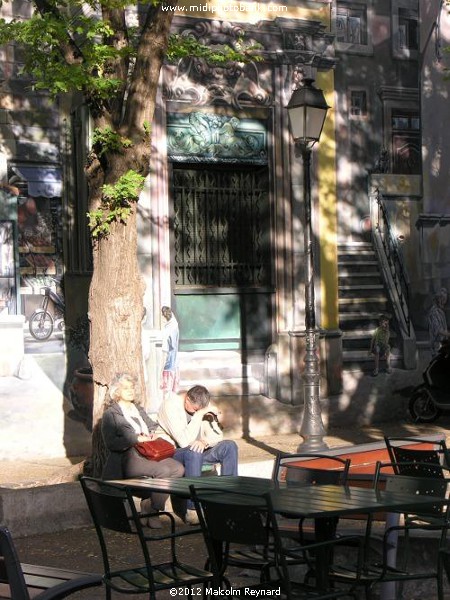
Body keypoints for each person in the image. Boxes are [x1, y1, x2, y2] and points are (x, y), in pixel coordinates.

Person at [101, 373, 184, 528]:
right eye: (125, 388)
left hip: (148, 452)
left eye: (132, 387)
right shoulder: (111, 414)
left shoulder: (137, 408)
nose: (130, 390)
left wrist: (151, 434)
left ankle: (149, 506)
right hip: (128, 457)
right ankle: (155, 512)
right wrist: (137, 439)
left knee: (178, 468)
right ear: (117, 391)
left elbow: (151, 424)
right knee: (164, 471)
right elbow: (111, 443)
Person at [157, 384, 238, 525]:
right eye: (195, 409)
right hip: (173, 453)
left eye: (200, 410)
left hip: (198, 451)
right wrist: (200, 415)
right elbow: (183, 441)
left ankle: (229, 499)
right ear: (187, 399)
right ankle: (192, 509)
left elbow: (217, 435)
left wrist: (205, 441)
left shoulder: (203, 406)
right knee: (194, 451)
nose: (197, 412)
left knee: (229, 446)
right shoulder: (170, 406)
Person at [160, 306, 180, 394]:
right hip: (173, 352)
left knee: (169, 365)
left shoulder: (170, 327)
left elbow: (168, 343)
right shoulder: (173, 324)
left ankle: (168, 388)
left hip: (170, 353)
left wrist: (159, 345)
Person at [428, 288, 449, 357]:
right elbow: (438, 330)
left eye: (445, 300)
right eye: (442, 299)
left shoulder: (441, 312)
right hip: (437, 347)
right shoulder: (434, 312)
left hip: (442, 346)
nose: (444, 302)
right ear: (438, 299)